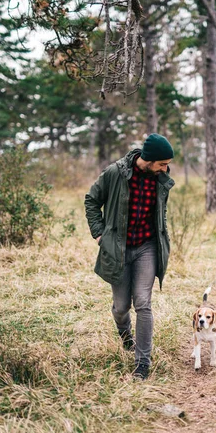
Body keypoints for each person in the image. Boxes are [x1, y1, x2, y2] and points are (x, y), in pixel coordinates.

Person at [84, 133, 175, 380]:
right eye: (163, 163)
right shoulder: (116, 173)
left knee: (143, 303)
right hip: (119, 249)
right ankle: (125, 336)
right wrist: (100, 234)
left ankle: (142, 363)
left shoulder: (159, 179)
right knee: (122, 306)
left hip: (147, 247)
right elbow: (91, 200)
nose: (166, 168)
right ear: (149, 159)